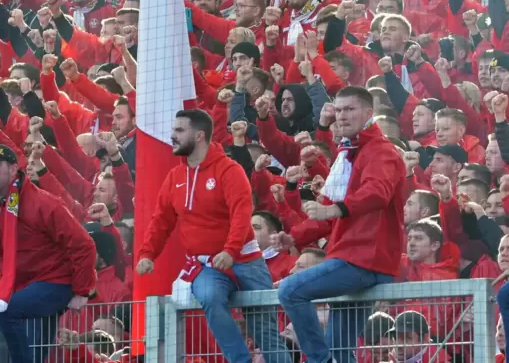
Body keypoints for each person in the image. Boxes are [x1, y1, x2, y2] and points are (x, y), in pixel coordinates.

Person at [137, 109, 291, 363]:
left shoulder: (229, 170)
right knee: (209, 297)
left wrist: (230, 251)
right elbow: (161, 221)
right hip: (206, 266)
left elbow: (242, 214)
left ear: (199, 136)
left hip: (246, 261)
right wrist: (147, 253)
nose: (172, 136)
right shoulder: (175, 177)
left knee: (265, 333)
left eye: (179, 130)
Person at [274, 86, 407, 363]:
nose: (342, 116)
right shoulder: (349, 153)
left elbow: (377, 193)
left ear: (369, 114)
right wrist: (294, 237)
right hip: (354, 259)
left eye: (350, 109)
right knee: (340, 350)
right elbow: (328, 214)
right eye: (339, 110)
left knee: (289, 290)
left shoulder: (380, 151)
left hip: (363, 260)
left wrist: (335, 208)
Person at [0, 144, 97, 363]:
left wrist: (82, 291)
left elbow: (84, 245)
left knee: (3, 312)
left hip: (54, 283)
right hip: (26, 286)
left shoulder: (43, 202)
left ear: (13, 169)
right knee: (36, 354)